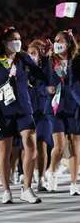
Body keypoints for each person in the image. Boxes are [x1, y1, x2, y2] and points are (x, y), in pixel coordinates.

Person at [0, 27, 48, 204]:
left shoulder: (24, 58)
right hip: (2, 111)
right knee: (5, 151)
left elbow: (41, 75)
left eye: (19, 38)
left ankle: (27, 188)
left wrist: (45, 59)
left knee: (30, 144)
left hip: (24, 108)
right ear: (4, 42)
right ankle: (6, 190)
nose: (17, 42)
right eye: (13, 39)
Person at [45, 30, 80, 196]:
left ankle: (74, 183)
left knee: (74, 145)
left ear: (69, 43)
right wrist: (46, 89)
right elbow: (38, 81)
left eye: (61, 40)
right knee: (59, 146)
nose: (58, 43)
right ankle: (51, 172)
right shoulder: (49, 61)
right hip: (55, 107)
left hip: (73, 106)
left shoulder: (77, 61)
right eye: (56, 40)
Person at [26, 39, 53, 192]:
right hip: (28, 111)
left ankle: (41, 178)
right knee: (30, 146)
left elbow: (49, 82)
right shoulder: (24, 67)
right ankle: (31, 175)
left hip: (43, 111)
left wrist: (48, 58)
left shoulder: (46, 67)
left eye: (34, 53)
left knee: (42, 144)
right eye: (29, 53)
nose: (31, 56)